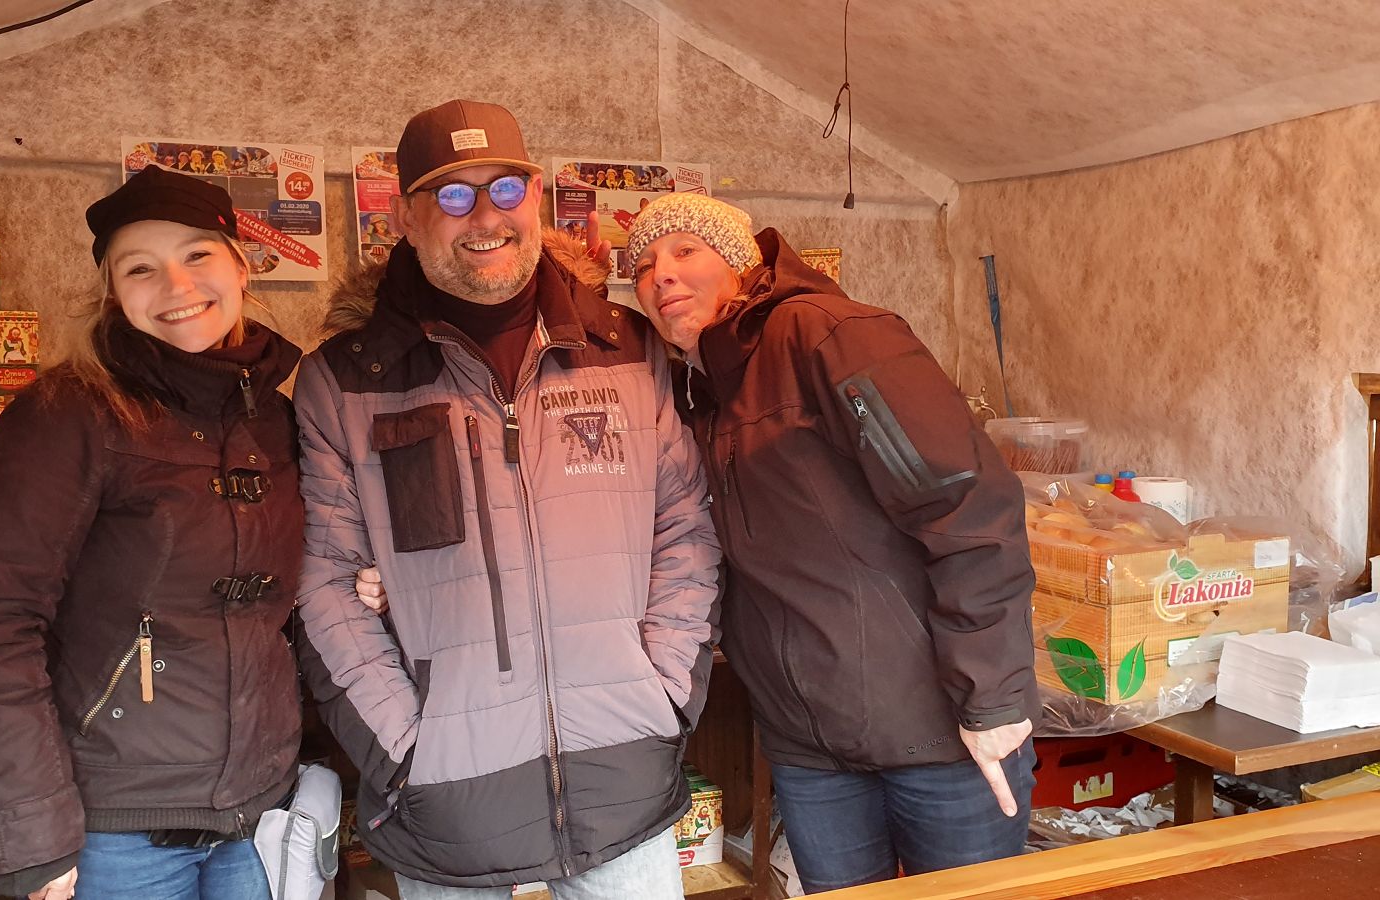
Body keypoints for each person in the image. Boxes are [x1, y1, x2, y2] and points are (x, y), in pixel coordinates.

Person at [293, 99, 721, 899]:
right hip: (447, 800)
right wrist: (409, 751)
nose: (485, 216)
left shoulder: (627, 350)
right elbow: (326, 586)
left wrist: (660, 700)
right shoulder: (346, 381)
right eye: (454, 195)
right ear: (406, 217)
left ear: (536, 198)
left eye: (505, 188)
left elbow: (685, 533)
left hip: (622, 784)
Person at [624, 193, 1039, 892]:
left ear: (739, 264)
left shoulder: (827, 337)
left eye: (684, 250)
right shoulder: (700, 392)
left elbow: (967, 507)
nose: (660, 273)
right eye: (642, 266)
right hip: (810, 749)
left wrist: (992, 699)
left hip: (942, 734)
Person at [0, 166, 304, 900]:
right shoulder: (69, 414)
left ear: (241, 265)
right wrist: (32, 831)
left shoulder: (276, 416)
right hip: (114, 832)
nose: (176, 284)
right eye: (140, 268)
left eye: (197, 254)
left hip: (259, 815)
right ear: (112, 291)